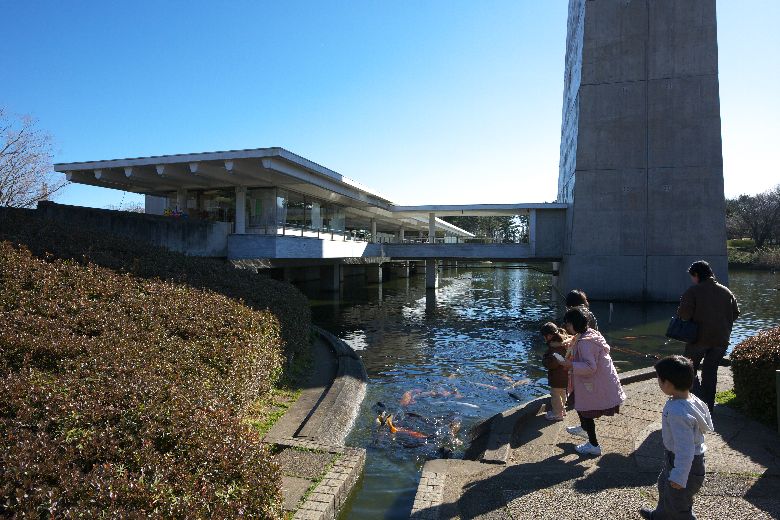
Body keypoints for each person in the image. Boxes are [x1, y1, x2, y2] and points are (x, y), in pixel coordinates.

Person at [640, 355, 713, 520]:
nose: (658, 383)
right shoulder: (690, 399)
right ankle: (660, 515)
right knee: (664, 487)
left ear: (668, 383)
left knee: (679, 502)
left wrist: (680, 475)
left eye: (659, 380)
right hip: (683, 461)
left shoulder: (678, 412)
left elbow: (685, 448)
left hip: (685, 464)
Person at [558, 307, 625, 456]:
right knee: (580, 404)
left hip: (593, 383)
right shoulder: (590, 334)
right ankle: (584, 428)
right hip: (597, 381)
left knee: (586, 411)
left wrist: (570, 365)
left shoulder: (585, 343)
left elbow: (590, 367)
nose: (566, 327)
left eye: (567, 324)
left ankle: (593, 445)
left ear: (574, 324)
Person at [677, 260, 740, 412]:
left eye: (692, 276)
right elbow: (736, 313)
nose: (692, 279)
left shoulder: (693, 291)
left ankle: (696, 403)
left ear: (696, 275)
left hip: (698, 339)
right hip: (721, 340)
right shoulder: (726, 291)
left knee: (688, 370)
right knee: (710, 373)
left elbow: (684, 315)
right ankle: (708, 407)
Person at [541, 322, 571, 421]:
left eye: (544, 336)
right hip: (565, 374)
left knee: (555, 396)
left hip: (557, 376)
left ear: (549, 336)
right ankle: (562, 410)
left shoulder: (554, 348)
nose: (544, 338)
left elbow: (552, 364)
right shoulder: (564, 341)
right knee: (563, 393)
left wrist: (545, 360)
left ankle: (557, 414)